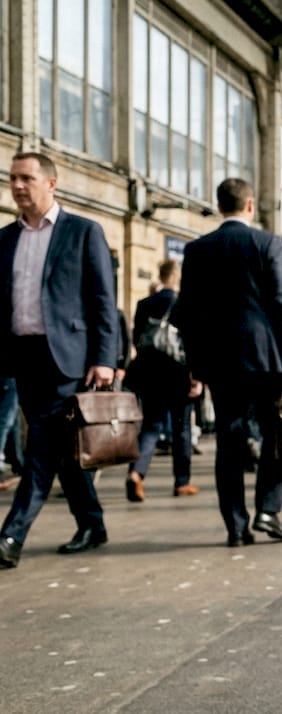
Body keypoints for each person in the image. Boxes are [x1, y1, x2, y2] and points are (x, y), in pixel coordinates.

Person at [0, 152, 119, 569]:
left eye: (26, 178)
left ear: (51, 183)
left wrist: (106, 358)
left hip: (69, 359)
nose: (17, 186)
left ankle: (11, 535)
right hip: (23, 356)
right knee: (62, 450)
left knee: (40, 448)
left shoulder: (83, 232)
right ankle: (92, 523)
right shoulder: (5, 238)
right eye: (12, 178)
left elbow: (104, 300)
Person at [174, 177, 282, 548]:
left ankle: (235, 526)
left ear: (219, 207)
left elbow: (186, 312)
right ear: (251, 206)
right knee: (277, 435)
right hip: (266, 359)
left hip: (220, 362)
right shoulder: (266, 242)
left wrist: (195, 365)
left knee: (229, 442)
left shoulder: (198, 249)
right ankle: (268, 509)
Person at [124, 258, 200, 501]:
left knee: (150, 425)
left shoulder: (145, 303)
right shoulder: (184, 303)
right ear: (178, 277)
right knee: (182, 428)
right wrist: (196, 375)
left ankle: (136, 474)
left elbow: (136, 339)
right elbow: (192, 342)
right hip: (178, 373)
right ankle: (181, 481)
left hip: (149, 372)